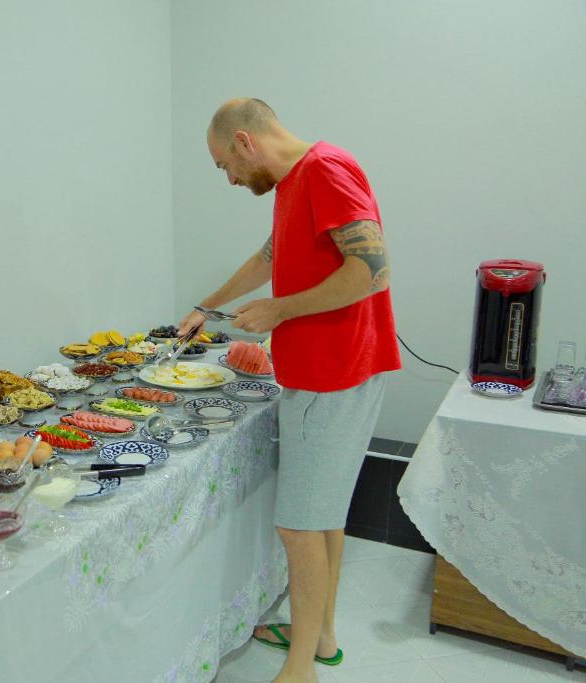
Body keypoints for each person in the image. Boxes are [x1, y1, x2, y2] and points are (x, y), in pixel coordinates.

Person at [179, 98, 401, 683]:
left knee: (299, 526)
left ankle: (301, 669)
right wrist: (209, 303)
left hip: (335, 372)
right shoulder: (293, 180)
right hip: (337, 367)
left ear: (246, 142)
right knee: (323, 517)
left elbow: (372, 269)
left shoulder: (324, 169)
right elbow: (271, 255)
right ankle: (321, 637)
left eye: (225, 163)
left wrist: (281, 309)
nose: (228, 178)